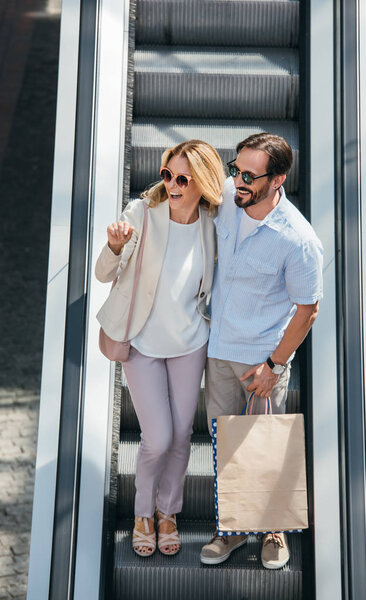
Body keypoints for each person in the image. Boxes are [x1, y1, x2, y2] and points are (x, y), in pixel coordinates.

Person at [95, 140, 225, 557]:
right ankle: (142, 515)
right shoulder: (142, 214)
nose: (171, 184)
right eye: (167, 174)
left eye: (182, 178)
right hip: (143, 346)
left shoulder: (214, 221)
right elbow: (101, 274)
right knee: (157, 438)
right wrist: (115, 247)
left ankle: (168, 512)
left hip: (190, 344)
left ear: (202, 182)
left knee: (183, 436)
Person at [200, 132, 323, 569]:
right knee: (225, 445)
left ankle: (273, 531)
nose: (238, 180)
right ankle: (230, 531)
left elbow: (307, 310)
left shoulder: (298, 239)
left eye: (250, 175)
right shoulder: (230, 199)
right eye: (236, 169)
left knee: (265, 447)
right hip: (219, 351)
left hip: (261, 360)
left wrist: (275, 365)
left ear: (279, 179)